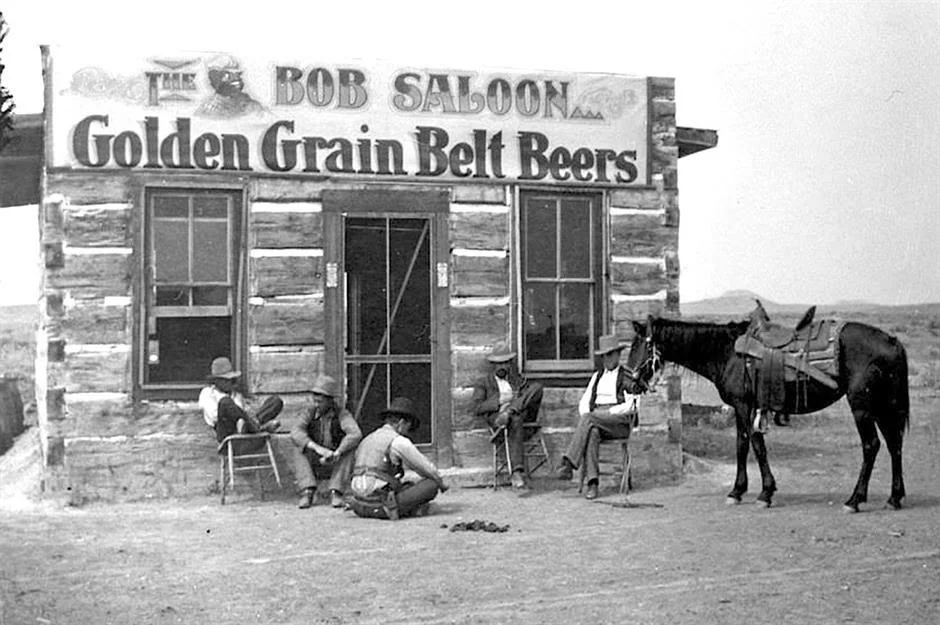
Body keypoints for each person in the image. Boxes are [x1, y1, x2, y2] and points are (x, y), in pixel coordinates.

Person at [555, 335, 643, 500]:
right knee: (592, 431)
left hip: (619, 421)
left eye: (610, 354)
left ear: (618, 355)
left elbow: (634, 405)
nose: (607, 359)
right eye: (604, 356)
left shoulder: (627, 376)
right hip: (596, 419)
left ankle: (569, 463)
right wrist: (590, 417)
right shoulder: (597, 376)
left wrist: (608, 413)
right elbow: (584, 402)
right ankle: (593, 483)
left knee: (589, 421)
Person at [349, 397, 448, 520]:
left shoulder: (367, 439)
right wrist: (441, 483)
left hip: (358, 504)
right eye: (408, 427)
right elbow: (426, 468)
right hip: (378, 504)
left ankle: (411, 509)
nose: (407, 432)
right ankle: (410, 510)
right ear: (401, 423)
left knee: (407, 486)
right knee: (431, 485)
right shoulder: (398, 441)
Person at [472, 344, 544, 489]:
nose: (502, 366)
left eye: (505, 363)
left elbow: (530, 398)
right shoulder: (484, 383)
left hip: (523, 417)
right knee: (515, 419)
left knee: (537, 387)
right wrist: (498, 401)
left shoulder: (517, 380)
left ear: (510, 364)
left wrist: (512, 406)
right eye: (498, 363)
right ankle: (516, 471)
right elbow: (477, 407)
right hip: (500, 420)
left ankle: (510, 411)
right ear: (493, 365)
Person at [290, 374, 362, 509]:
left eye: (320, 401)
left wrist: (338, 452)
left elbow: (355, 433)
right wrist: (317, 448)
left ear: (330, 401)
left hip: (335, 459)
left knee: (351, 449)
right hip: (314, 457)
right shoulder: (308, 412)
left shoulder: (342, 414)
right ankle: (307, 491)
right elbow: (296, 432)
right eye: (314, 400)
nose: (316, 405)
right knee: (297, 446)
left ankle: (336, 491)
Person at [198, 356, 283, 449]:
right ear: (217, 381)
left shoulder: (236, 394)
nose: (229, 383)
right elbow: (214, 416)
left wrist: (246, 417)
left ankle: (255, 427)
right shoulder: (208, 393)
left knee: (275, 401)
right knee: (225, 402)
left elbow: (245, 411)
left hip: (245, 427)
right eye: (226, 380)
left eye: (231, 380)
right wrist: (238, 414)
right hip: (226, 430)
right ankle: (257, 428)